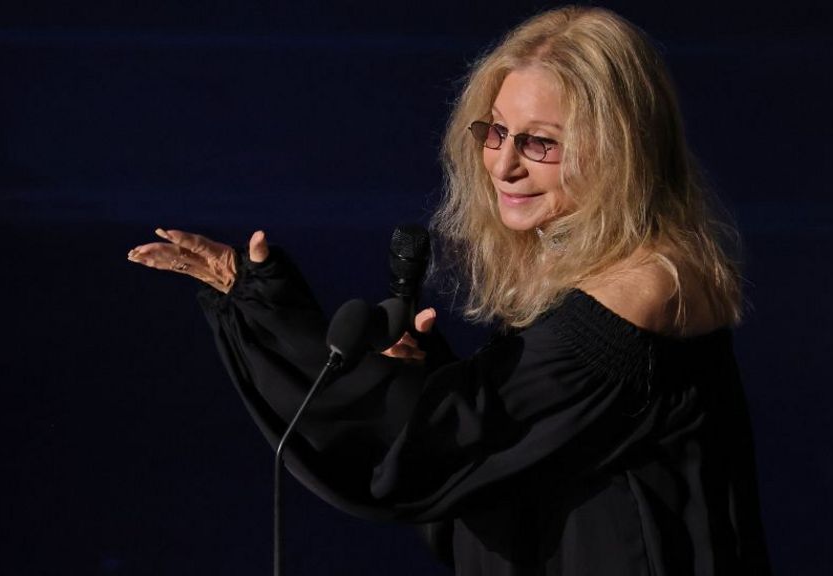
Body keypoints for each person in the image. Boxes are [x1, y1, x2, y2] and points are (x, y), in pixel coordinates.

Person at [128, 6, 771, 575]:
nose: (503, 163)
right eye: (494, 132)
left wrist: (264, 309)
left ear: (620, 148)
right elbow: (513, 448)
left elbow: (452, 449)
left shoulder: (643, 287)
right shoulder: (612, 273)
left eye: (539, 142)